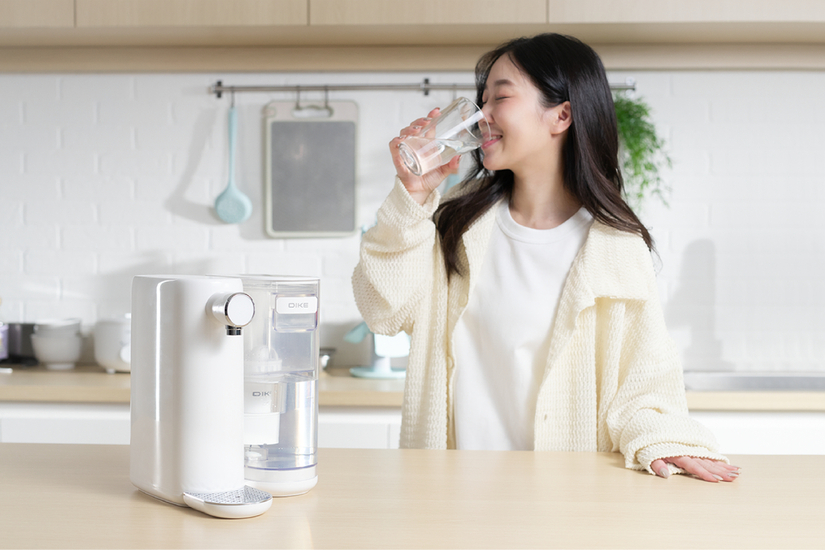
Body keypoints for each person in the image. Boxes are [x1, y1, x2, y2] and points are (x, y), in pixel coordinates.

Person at [352, 33, 740, 483]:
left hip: (567, 505)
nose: (482, 116)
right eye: (481, 101)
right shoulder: (450, 224)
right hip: (450, 500)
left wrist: (668, 440)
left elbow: (645, 382)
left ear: (562, 114)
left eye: (500, 97)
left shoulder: (615, 246)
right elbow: (382, 311)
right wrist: (413, 196)